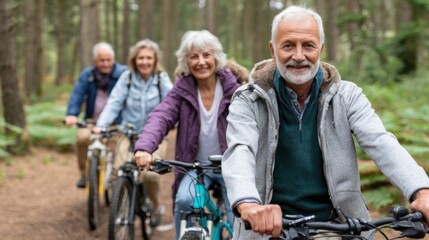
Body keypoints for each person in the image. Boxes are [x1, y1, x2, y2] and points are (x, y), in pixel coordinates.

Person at [221, 5, 429, 239]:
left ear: (321, 48)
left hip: (336, 225)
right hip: (269, 229)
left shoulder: (347, 96)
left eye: (308, 45)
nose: (298, 56)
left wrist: (421, 190)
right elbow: (240, 150)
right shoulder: (248, 99)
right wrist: (249, 205)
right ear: (273, 50)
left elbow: (381, 142)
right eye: (288, 45)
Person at [134, 30, 248, 239]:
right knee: (185, 201)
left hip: (232, 166)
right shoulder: (182, 89)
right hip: (195, 167)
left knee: (238, 215)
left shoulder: (236, 88)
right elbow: (161, 116)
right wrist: (144, 147)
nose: (201, 62)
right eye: (194, 56)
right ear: (186, 61)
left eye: (206, 55)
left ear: (216, 57)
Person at [94, 39, 173, 227]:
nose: (144, 62)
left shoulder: (161, 79)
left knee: (150, 174)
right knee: (118, 171)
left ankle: (155, 205)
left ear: (155, 60)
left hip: (156, 136)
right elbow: (114, 103)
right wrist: (101, 125)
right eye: (140, 58)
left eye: (148, 58)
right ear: (134, 60)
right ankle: (124, 206)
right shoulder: (127, 78)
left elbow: (172, 103)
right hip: (128, 133)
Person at [64, 42, 127, 189]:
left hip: (116, 121)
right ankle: (85, 174)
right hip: (92, 121)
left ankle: (116, 180)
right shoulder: (88, 75)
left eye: (108, 60)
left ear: (113, 59)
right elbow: (77, 95)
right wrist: (72, 114)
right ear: (95, 61)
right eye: (101, 60)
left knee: (118, 147)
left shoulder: (123, 73)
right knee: (82, 138)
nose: (105, 64)